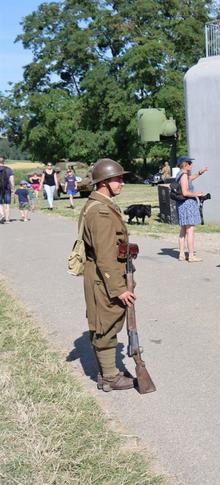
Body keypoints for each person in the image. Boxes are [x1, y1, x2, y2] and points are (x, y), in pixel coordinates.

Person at [81, 158, 135, 391]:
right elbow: (104, 255)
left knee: (107, 322)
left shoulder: (101, 204)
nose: (122, 183)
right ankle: (110, 377)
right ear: (104, 183)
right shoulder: (101, 211)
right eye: (118, 179)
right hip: (105, 278)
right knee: (106, 324)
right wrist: (119, 288)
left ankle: (107, 373)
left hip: (105, 274)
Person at [175, 156, 208, 262]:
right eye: (189, 163)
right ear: (184, 164)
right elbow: (185, 192)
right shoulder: (184, 175)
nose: (191, 164)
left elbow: (191, 179)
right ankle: (191, 255)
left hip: (181, 204)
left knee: (183, 229)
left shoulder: (181, 174)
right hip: (187, 205)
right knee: (190, 230)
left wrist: (200, 172)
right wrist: (196, 194)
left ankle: (181, 254)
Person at [0, 156, 14, 223]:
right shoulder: (9, 169)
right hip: (7, 188)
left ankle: (2, 214)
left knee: (0, 203)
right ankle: (7, 219)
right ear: (4, 161)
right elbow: (12, 180)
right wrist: (13, 188)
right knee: (7, 204)